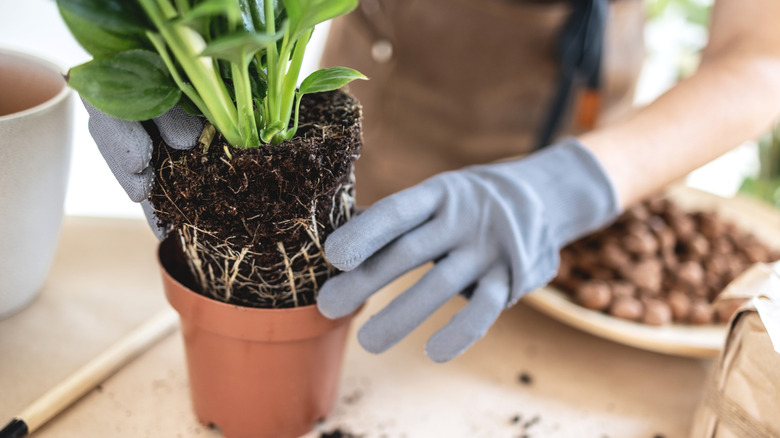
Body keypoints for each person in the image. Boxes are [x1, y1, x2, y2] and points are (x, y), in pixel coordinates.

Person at [85, 0, 780, 363]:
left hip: (561, 177)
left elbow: (763, 54)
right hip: (362, 115)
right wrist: (144, 43)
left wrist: (576, 183)